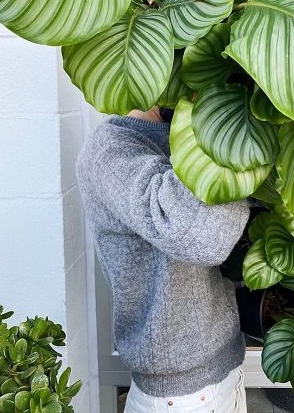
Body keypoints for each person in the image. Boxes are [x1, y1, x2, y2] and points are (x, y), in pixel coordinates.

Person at [76, 105, 250, 412]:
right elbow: (206, 237)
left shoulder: (181, 127)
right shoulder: (109, 151)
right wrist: (220, 119)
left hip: (227, 373)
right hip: (181, 399)